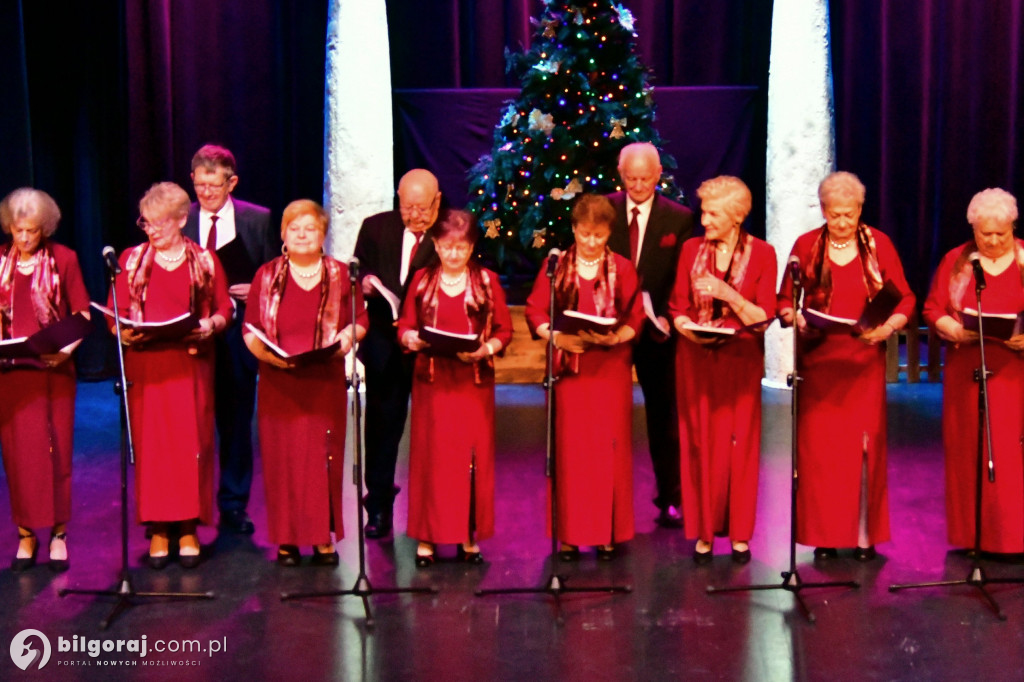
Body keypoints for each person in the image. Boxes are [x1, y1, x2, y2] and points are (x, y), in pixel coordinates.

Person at [778, 171, 915, 561]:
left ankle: (863, 537)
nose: (841, 222)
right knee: (821, 455)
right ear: (823, 210)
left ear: (860, 210)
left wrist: (887, 328)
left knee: (863, 450)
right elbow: (784, 299)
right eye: (834, 214)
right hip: (819, 364)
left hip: (862, 364)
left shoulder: (878, 244)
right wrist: (795, 317)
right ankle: (824, 535)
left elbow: (905, 298)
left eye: (849, 214)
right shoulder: (806, 245)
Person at [111, 182, 233, 569]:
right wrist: (121, 331)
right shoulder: (131, 259)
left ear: (182, 219)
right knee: (153, 449)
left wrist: (212, 324)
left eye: (160, 223)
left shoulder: (205, 260)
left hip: (190, 364)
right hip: (147, 366)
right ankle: (160, 528)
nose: (152, 230)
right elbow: (116, 314)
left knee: (190, 444)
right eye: (146, 223)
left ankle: (188, 526)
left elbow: (224, 308)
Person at [243, 200, 367, 566]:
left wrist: (345, 340)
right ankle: (288, 539)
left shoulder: (341, 274)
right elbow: (250, 328)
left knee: (322, 461)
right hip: (279, 384)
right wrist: (270, 357)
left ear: (323, 234)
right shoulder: (266, 274)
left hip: (323, 382)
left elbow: (359, 320)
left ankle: (322, 537)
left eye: (310, 228)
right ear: (283, 234)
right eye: (294, 228)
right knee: (283, 462)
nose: (301, 235)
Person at [525, 194, 644, 560]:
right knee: (572, 454)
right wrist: (557, 337)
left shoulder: (622, 268)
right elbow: (535, 311)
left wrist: (615, 337)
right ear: (574, 229)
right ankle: (571, 535)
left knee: (608, 452)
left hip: (608, 372)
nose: (591, 242)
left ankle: (607, 533)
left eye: (599, 235)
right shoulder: (556, 265)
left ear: (609, 233)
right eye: (585, 234)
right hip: (570, 374)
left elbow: (636, 317)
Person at [669, 176, 776, 564]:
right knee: (700, 445)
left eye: (713, 214)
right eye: (704, 212)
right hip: (696, 360)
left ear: (736, 216)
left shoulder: (763, 253)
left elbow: (763, 318)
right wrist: (687, 328)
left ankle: (740, 535)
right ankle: (703, 533)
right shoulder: (690, 250)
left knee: (740, 446)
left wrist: (728, 294)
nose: (705, 220)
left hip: (740, 360)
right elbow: (677, 307)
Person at [397, 210, 513, 567]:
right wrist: (412, 339)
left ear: (472, 247)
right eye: (447, 247)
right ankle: (428, 536)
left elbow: (504, 330)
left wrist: (485, 349)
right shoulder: (421, 279)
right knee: (433, 459)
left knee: (469, 460)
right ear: (435, 245)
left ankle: (467, 535)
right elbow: (405, 325)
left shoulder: (486, 281)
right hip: (433, 383)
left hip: (471, 385)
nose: (453, 254)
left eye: (460, 248)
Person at [183, 144, 278, 536]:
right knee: (190, 424)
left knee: (236, 422)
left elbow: (275, 275)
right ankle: (188, 507)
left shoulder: (257, 219)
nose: (206, 192)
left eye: (214, 185)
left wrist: (256, 288)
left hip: (237, 335)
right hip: (191, 334)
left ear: (232, 182)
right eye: (200, 184)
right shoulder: (181, 217)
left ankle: (234, 504)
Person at [923, 188, 1024, 554]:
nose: (993, 241)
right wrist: (953, 329)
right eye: (986, 234)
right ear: (974, 230)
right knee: (970, 449)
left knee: (1011, 454)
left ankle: (1014, 539)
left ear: (1013, 228)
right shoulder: (957, 261)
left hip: (1016, 373)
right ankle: (973, 537)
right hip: (968, 369)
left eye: (1001, 234)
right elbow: (932, 308)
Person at [0, 189, 90, 572]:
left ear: (45, 228)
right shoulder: (0, 262)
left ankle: (58, 533)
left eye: (32, 231)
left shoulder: (63, 259)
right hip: (12, 375)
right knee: (18, 457)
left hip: (53, 371)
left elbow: (82, 313)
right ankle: (25, 533)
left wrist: (64, 352)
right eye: (18, 230)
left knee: (56, 452)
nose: (24, 238)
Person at [607, 142, 694, 528]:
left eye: (645, 178)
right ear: (620, 174)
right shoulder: (603, 210)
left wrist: (668, 315)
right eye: (631, 178)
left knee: (665, 417)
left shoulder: (679, 218)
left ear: (659, 174)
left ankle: (671, 497)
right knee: (606, 416)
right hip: (610, 330)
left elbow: (682, 273)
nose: (639, 185)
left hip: (658, 333)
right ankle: (605, 499)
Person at [353, 169, 442, 538]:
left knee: (436, 431)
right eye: (407, 208)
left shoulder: (450, 230)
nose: (415, 216)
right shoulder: (376, 227)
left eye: (422, 208)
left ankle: (435, 513)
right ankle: (378, 509)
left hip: (431, 346)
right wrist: (365, 281)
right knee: (382, 430)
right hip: (384, 348)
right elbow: (359, 267)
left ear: (437, 201)